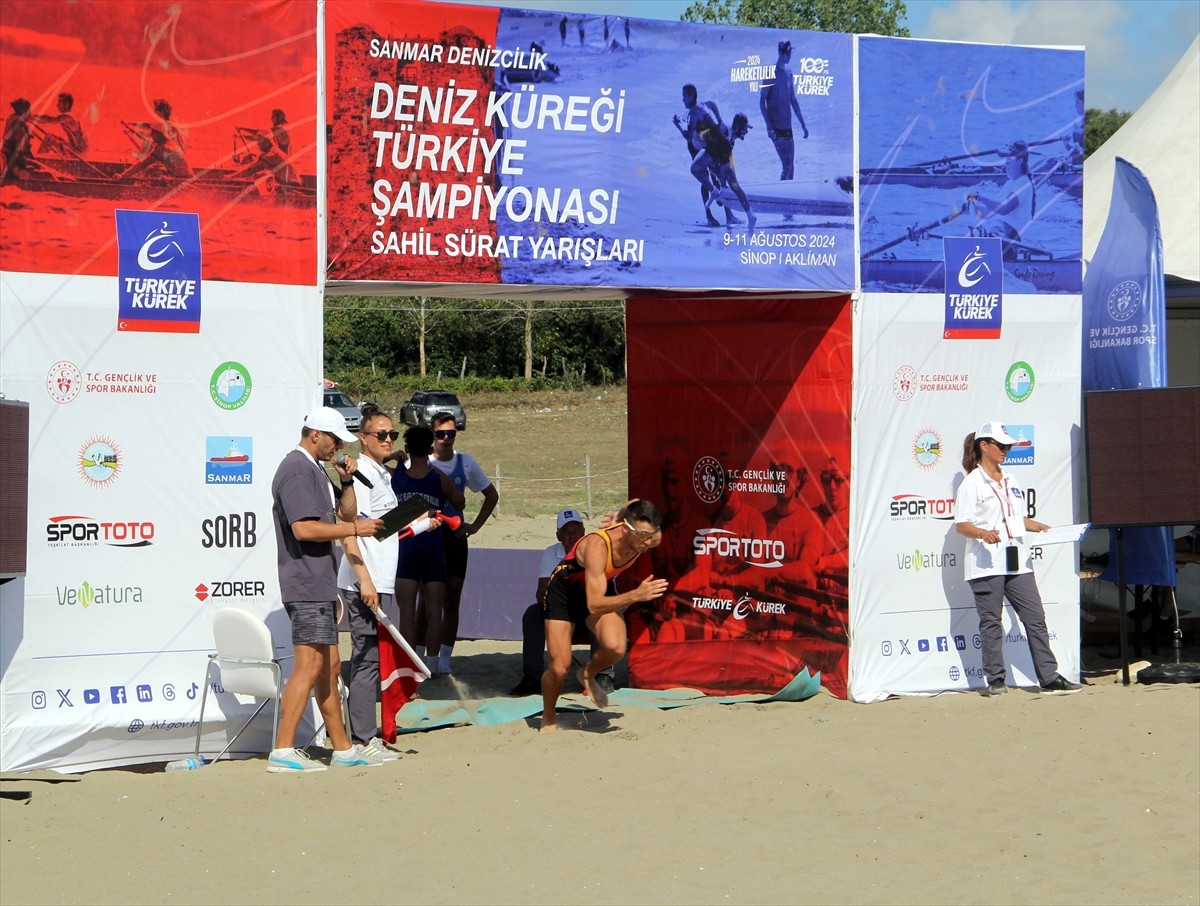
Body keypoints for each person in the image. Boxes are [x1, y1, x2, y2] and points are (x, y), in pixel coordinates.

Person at [268, 406, 386, 772]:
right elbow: (304, 529)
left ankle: (343, 748)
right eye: (334, 439)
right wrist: (356, 531)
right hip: (305, 583)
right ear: (315, 434)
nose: (338, 446)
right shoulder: (297, 469)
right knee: (310, 664)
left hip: (318, 583)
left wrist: (347, 481)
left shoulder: (315, 469)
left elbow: (346, 515)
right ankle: (283, 750)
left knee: (329, 664)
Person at [953, 422, 1081, 696]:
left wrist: (1039, 527)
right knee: (991, 621)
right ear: (983, 446)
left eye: (1008, 446)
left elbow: (1016, 520)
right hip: (986, 563)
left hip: (1017, 561)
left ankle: (1048, 678)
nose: (1006, 451)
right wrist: (982, 533)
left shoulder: (1012, 480)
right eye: (1001, 446)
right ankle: (996, 679)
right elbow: (961, 525)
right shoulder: (971, 484)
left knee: (1035, 617)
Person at [541, 500, 669, 732]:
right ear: (626, 530)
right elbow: (595, 604)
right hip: (566, 589)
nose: (648, 542)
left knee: (616, 647)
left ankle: (587, 674)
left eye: (651, 535)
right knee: (559, 667)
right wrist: (636, 595)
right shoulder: (598, 547)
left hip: (599, 585)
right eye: (642, 536)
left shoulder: (650, 536)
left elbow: (634, 504)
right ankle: (548, 717)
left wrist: (618, 512)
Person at [337, 404, 408, 761]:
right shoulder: (362, 472)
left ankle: (368, 735)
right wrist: (364, 580)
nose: (388, 439)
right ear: (363, 439)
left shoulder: (381, 473)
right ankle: (363, 739)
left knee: (375, 659)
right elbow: (350, 528)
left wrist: (421, 522)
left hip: (381, 578)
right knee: (365, 659)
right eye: (381, 434)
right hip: (363, 580)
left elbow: (381, 529)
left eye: (392, 434)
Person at [511, 509, 615, 697]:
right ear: (558, 535)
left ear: (584, 532)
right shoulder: (551, 553)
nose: (572, 536)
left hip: (589, 611)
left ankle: (603, 675)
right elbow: (541, 593)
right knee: (533, 614)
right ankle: (532, 677)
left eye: (576, 531)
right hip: (562, 613)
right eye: (566, 532)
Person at [426, 411, 498, 675]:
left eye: (451, 433)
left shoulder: (465, 462)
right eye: (440, 434)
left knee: (451, 600)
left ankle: (445, 658)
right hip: (428, 536)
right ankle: (424, 655)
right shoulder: (422, 461)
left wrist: (476, 526)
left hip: (455, 537)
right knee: (427, 600)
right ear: (432, 435)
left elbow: (491, 495)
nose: (446, 439)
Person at [391, 425, 464, 673]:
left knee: (407, 613)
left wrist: (396, 458)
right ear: (431, 449)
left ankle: (410, 665)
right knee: (435, 611)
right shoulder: (437, 478)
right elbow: (460, 502)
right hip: (434, 548)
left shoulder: (397, 476)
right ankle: (432, 664)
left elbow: (378, 467)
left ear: (408, 449)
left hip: (406, 548)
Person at [672, 84, 740, 228]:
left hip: (706, 144)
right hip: (695, 145)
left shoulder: (701, 107)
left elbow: (713, 104)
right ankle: (709, 215)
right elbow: (689, 137)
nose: (682, 99)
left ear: (691, 96)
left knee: (718, 175)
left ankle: (729, 215)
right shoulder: (695, 111)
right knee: (705, 177)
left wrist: (719, 120)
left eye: (684, 96)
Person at [967, 140, 1039, 256]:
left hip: (1011, 236)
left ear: (1020, 161)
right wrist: (973, 207)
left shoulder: (1023, 183)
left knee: (991, 231)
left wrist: (981, 198)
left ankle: (1000, 254)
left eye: (1009, 160)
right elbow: (989, 213)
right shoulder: (1010, 183)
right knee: (979, 232)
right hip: (999, 230)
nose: (1005, 163)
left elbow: (1005, 209)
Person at [693, 111, 756, 232]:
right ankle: (709, 215)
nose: (746, 132)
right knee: (705, 181)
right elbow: (713, 146)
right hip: (704, 151)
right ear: (737, 125)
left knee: (725, 184)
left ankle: (729, 216)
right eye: (744, 127)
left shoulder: (731, 138)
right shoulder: (725, 130)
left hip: (715, 158)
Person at [759, 40, 809, 181]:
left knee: (791, 166)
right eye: (788, 52)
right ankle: (781, 194)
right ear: (780, 52)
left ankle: (788, 196)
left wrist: (803, 125)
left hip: (788, 127)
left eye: (790, 53)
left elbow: (793, 100)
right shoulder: (770, 73)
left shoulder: (789, 73)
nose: (790, 55)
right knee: (786, 165)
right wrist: (768, 125)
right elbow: (762, 102)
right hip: (776, 128)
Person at [120, 98, 192, 179]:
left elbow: (142, 164)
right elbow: (148, 125)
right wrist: (129, 123)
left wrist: (122, 175)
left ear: (161, 112)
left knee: (147, 167)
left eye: (156, 110)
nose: (152, 135)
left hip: (182, 179)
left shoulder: (161, 148)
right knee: (152, 169)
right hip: (188, 174)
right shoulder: (171, 136)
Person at [34, 92, 88, 157]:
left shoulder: (68, 117)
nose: (57, 105)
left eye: (59, 102)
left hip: (80, 152)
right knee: (52, 137)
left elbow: (50, 120)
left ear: (66, 105)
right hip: (76, 150)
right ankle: (40, 157)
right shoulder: (67, 117)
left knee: (49, 138)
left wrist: (31, 118)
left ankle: (39, 158)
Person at [1, 98, 34, 180]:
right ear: (24, 112)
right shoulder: (19, 127)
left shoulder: (13, 119)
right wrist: (26, 163)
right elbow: (19, 150)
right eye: (29, 111)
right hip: (13, 163)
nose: (30, 113)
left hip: (7, 158)